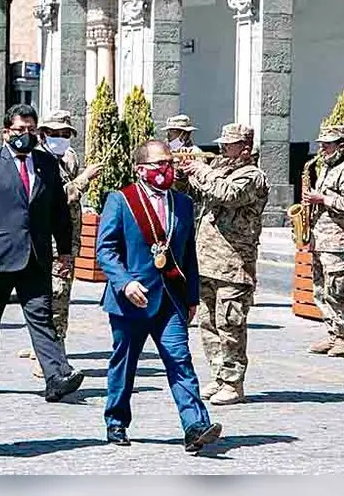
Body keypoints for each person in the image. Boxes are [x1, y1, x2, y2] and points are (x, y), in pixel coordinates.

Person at [96, 139, 223, 453]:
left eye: (169, 163)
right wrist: (125, 283)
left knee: (180, 360)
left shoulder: (182, 203)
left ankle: (194, 425)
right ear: (141, 169)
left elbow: (188, 254)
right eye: (158, 164)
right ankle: (116, 420)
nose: (166, 169)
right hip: (131, 299)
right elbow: (106, 250)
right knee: (124, 364)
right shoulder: (121, 200)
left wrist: (192, 297)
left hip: (170, 298)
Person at [0, 104, 84, 401]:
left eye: (31, 130)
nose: (26, 135)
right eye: (20, 130)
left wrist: (65, 250)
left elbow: (59, 210)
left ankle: (55, 377)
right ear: (6, 132)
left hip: (36, 255)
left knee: (41, 316)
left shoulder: (46, 164)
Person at [177, 123, 269, 406]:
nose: (221, 149)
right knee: (209, 323)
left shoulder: (252, 176)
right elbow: (191, 195)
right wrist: (183, 175)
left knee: (230, 324)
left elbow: (227, 195)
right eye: (222, 144)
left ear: (245, 147)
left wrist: (200, 169)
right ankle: (219, 375)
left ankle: (233, 382)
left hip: (233, 264)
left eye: (228, 145)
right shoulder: (219, 171)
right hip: (206, 261)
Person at [19, 109, 102, 377]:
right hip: (50, 244)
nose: (60, 138)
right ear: (43, 134)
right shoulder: (39, 161)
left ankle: (44, 351)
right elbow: (58, 197)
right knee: (56, 299)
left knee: (54, 298)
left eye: (65, 134)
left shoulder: (67, 158)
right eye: (54, 134)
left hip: (66, 242)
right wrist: (85, 179)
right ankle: (52, 360)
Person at [302, 125, 344, 357]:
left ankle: (342, 337)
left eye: (327, 145)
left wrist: (322, 198)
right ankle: (332, 333)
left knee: (337, 291)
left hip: (339, 241)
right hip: (322, 239)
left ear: (341, 146)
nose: (322, 149)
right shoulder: (326, 168)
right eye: (321, 144)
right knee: (320, 290)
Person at [160, 114, 202, 198]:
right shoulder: (165, 151)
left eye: (173, 131)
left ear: (184, 134)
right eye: (168, 131)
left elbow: (198, 186)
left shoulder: (195, 153)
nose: (168, 135)